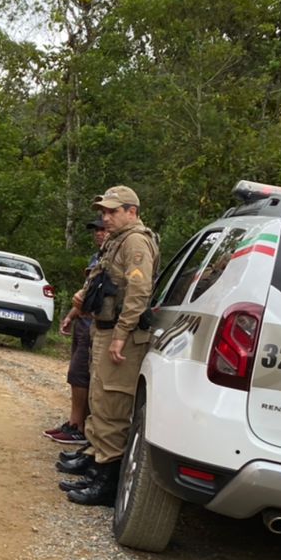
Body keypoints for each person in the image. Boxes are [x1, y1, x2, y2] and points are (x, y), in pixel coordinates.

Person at [57, 186, 160, 506]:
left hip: (122, 335)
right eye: (103, 211)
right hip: (105, 328)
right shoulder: (118, 240)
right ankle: (96, 462)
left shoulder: (135, 242)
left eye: (112, 211)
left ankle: (107, 480)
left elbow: (139, 291)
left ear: (132, 211)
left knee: (113, 406)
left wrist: (121, 333)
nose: (105, 217)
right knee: (100, 400)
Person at [43, 218, 110, 445]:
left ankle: (78, 427)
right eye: (96, 230)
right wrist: (71, 316)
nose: (98, 233)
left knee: (80, 373)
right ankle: (75, 423)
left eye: (103, 229)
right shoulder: (96, 257)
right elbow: (86, 293)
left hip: (94, 324)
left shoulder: (114, 257)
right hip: (83, 321)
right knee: (77, 375)